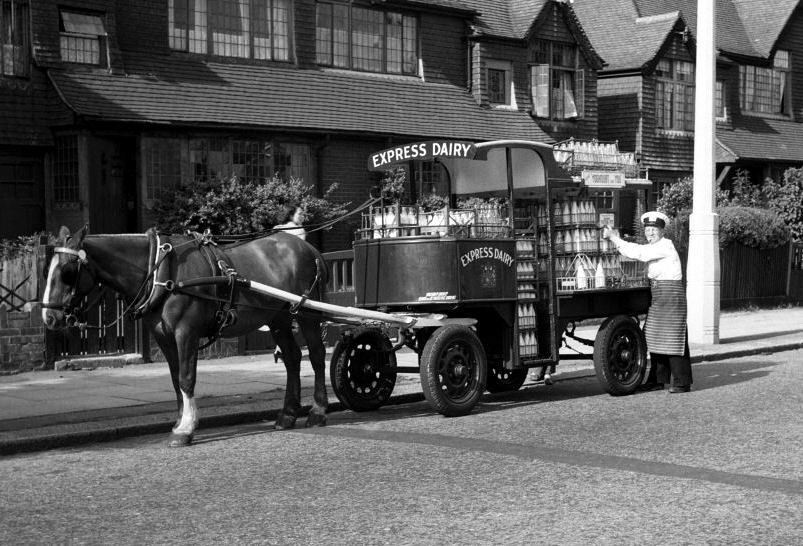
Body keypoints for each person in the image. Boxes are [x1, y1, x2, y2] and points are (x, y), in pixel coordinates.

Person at [602, 211, 692, 393]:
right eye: (648, 230)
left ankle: (683, 382)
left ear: (662, 231)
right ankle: (657, 379)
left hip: (671, 295)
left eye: (654, 230)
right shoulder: (657, 247)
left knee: (674, 338)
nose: (650, 233)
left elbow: (640, 253)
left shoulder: (665, 246)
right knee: (653, 335)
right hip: (659, 294)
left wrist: (614, 238)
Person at [272, 204, 307, 363]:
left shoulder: (278, 228)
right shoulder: (299, 231)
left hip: (275, 274)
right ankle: (281, 347)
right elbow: (301, 252)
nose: (302, 216)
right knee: (294, 312)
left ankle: (280, 347)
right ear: (291, 214)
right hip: (292, 276)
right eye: (300, 213)